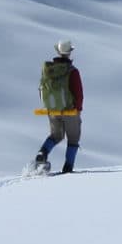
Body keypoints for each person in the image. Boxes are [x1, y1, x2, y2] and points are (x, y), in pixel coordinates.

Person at [34, 39, 83, 174]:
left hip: (53, 110)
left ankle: (42, 153)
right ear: (69, 53)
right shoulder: (73, 71)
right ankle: (67, 168)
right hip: (70, 111)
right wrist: (78, 109)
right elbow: (78, 94)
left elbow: (42, 89)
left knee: (55, 135)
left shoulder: (49, 70)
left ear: (58, 52)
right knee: (73, 139)